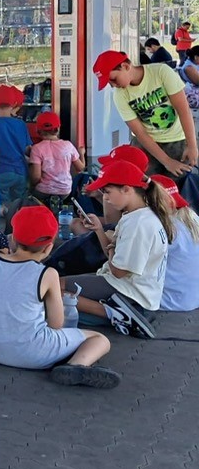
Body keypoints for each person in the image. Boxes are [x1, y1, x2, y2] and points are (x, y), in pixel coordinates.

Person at [0, 206, 121, 389]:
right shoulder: (47, 274)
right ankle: (75, 365)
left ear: (13, 238)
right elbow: (56, 323)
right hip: (33, 354)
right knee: (99, 339)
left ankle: (64, 358)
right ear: (49, 247)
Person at [65, 160, 174, 338]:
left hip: (130, 292)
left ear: (126, 189)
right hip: (135, 290)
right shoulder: (138, 214)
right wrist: (99, 230)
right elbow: (114, 258)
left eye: (107, 192)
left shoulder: (138, 223)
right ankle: (115, 312)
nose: (105, 198)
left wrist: (112, 248)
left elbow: (118, 271)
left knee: (55, 288)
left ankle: (116, 313)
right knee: (60, 292)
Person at [93, 49, 198, 178]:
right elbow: (140, 132)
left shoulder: (161, 72)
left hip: (177, 141)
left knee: (178, 185)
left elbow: (184, 111)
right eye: (109, 83)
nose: (113, 85)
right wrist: (167, 161)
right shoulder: (120, 95)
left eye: (113, 79)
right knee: (147, 186)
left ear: (125, 66)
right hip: (147, 146)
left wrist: (192, 145)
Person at [0, 84, 31, 208]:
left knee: (3, 205)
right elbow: (27, 149)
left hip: (2, 171)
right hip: (21, 172)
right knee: (19, 204)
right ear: (14, 104)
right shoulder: (21, 124)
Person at [156, 175, 199, 312]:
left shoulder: (162, 226)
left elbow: (126, 270)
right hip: (193, 300)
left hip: (167, 303)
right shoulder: (192, 217)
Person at [28, 112, 84, 211]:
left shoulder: (37, 149)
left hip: (43, 191)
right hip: (65, 191)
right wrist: (82, 153)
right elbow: (81, 168)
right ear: (58, 128)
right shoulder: (68, 146)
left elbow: (36, 177)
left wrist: (31, 187)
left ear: (38, 130)